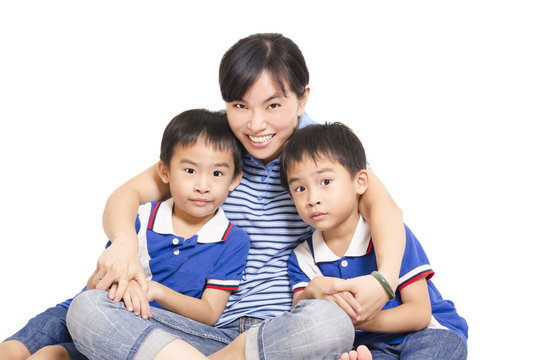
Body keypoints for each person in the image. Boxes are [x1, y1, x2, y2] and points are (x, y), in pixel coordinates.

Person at [67, 33, 406, 360]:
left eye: (273, 105)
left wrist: (385, 281)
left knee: (330, 324)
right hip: (203, 329)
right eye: (240, 105)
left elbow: (384, 207)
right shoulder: (220, 147)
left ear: (303, 99)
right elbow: (127, 194)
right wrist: (125, 242)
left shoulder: (317, 150)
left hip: (283, 331)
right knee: (87, 310)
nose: (256, 125)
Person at [1, 109, 250, 360]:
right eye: (190, 171)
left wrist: (157, 291)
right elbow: (94, 284)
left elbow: (209, 313)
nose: (202, 186)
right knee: (14, 349)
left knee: (50, 355)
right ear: (164, 172)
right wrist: (124, 283)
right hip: (91, 306)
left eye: (217, 174)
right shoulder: (140, 218)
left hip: (145, 328)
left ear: (234, 179)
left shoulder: (232, 240)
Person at [281, 122, 469, 360]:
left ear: (360, 182)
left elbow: (419, 313)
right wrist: (310, 293)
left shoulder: (388, 235)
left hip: (428, 334)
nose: (312, 198)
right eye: (299, 188)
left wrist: (359, 319)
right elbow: (301, 310)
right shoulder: (303, 257)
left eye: (326, 182)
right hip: (370, 347)